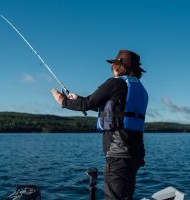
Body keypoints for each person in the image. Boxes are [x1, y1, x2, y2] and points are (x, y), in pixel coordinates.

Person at [51, 49, 148, 200]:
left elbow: (87, 104)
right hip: (135, 153)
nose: (112, 68)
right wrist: (78, 98)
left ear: (118, 66)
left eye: (114, 65)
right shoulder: (140, 89)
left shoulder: (116, 83)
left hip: (119, 153)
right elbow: (107, 107)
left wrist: (64, 101)